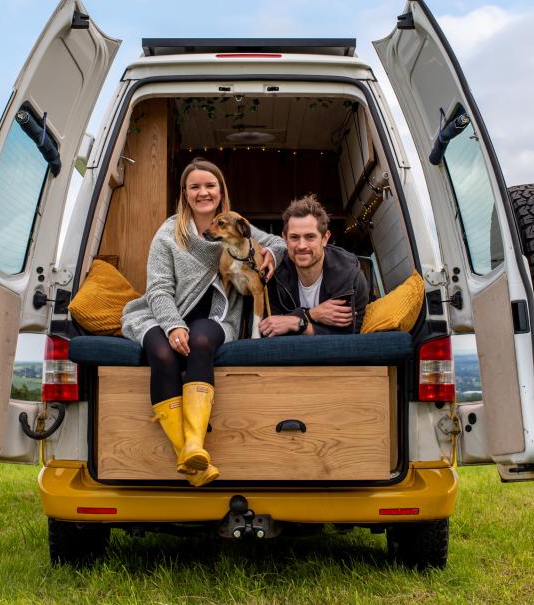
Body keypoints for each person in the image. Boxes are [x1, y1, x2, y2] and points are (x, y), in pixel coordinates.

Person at [120, 158, 284, 486]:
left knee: (201, 341)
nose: (203, 192)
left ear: (221, 192)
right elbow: (158, 289)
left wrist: (269, 254)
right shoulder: (168, 235)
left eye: (210, 186)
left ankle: (194, 445)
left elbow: (276, 242)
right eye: (195, 187)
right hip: (160, 313)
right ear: (185, 194)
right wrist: (172, 325)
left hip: (215, 317)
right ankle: (192, 458)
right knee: (163, 354)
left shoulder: (235, 225)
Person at [258, 194, 369, 337]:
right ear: (284, 239)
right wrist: (312, 315)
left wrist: (296, 323)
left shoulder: (349, 276)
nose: (301, 246)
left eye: (310, 237)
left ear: (325, 238)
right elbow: (269, 331)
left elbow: (347, 339)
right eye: (294, 237)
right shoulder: (273, 275)